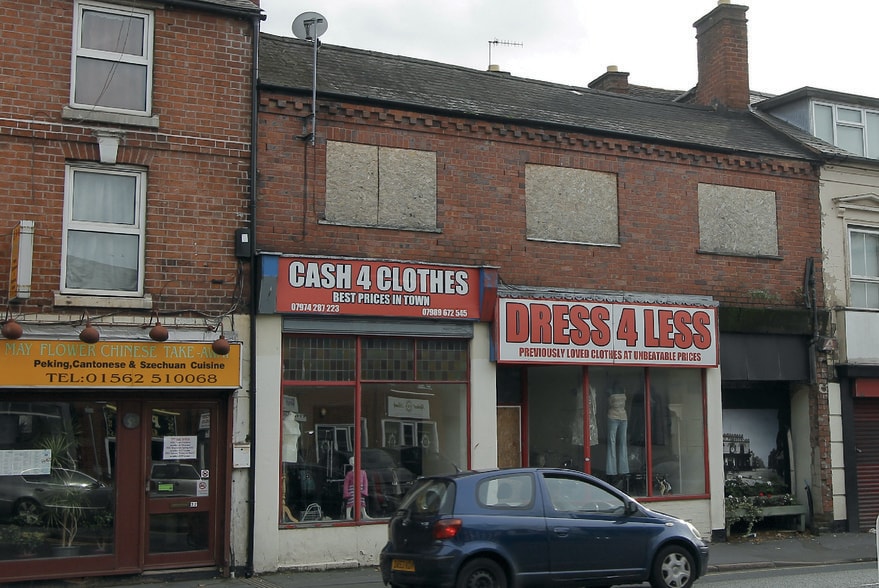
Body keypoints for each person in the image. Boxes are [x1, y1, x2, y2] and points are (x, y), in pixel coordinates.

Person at [606, 386, 629, 483]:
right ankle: (611, 472)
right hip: (613, 417)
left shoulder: (623, 389)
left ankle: (623, 470)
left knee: (623, 443)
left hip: (623, 417)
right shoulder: (609, 389)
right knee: (612, 443)